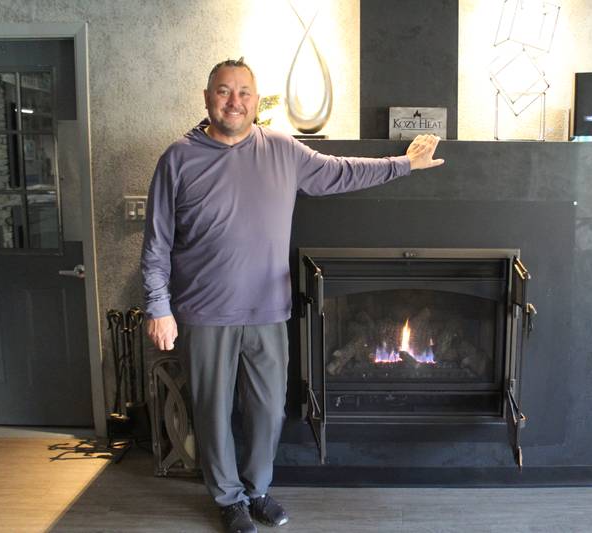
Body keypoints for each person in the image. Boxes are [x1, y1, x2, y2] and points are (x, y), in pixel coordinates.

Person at [141, 58, 444, 533]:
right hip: (204, 311)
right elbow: (156, 243)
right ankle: (228, 499)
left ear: (256, 101)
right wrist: (159, 308)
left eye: (243, 92)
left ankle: (257, 489)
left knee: (268, 408)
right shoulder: (178, 158)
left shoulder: (283, 150)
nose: (234, 101)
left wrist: (405, 164)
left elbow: (342, 172)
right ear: (206, 98)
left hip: (268, 309)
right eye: (223, 91)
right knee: (212, 412)